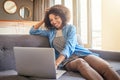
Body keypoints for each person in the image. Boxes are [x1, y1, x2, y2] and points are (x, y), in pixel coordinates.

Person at [29, 5, 120, 80]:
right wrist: (44, 19)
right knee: (80, 63)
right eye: (51, 20)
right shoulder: (50, 32)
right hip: (67, 61)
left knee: (105, 67)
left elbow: (69, 46)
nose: (54, 21)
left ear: (62, 16)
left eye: (56, 18)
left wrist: (56, 62)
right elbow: (32, 31)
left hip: (82, 53)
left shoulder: (70, 28)